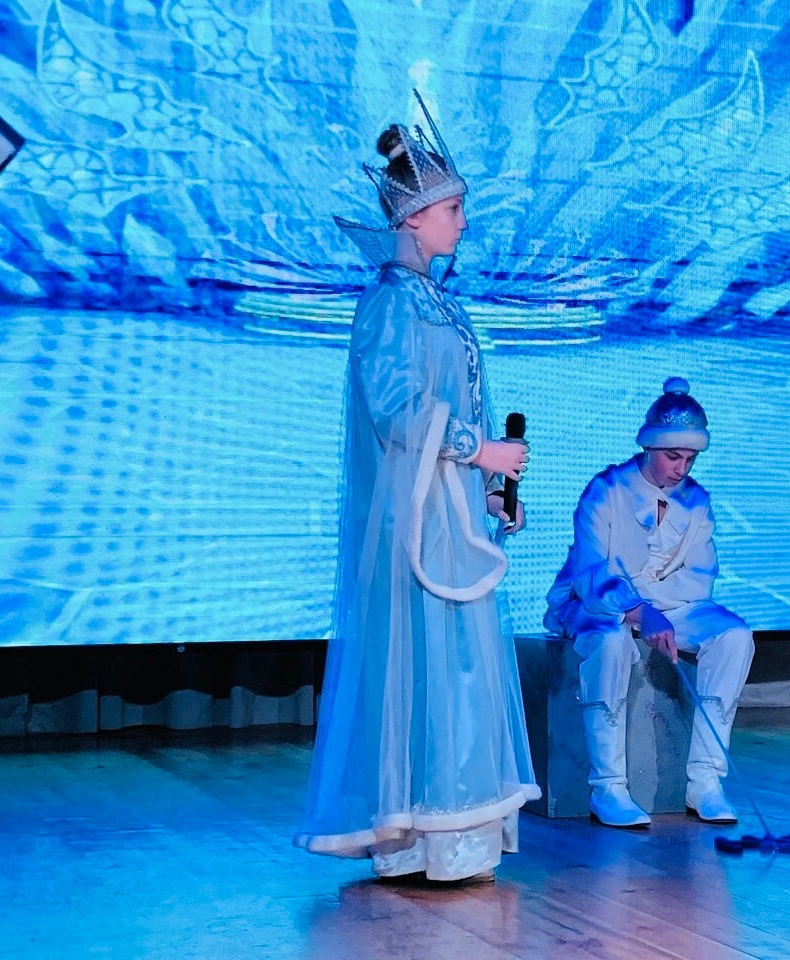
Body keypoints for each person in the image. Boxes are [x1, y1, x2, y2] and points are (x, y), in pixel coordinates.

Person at [294, 92, 540, 883]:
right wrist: (479, 450)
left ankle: (453, 833)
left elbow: (455, 403)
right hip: (416, 517)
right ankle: (417, 832)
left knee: (460, 665)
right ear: (414, 219)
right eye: (453, 210)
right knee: (427, 664)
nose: (463, 223)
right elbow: (397, 409)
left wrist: (491, 485)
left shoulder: (440, 303)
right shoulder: (390, 303)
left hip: (453, 509)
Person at [544, 378, 755, 828]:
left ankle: (705, 780)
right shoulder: (606, 490)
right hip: (597, 603)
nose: (682, 468)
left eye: (690, 459)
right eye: (673, 456)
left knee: (734, 636)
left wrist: (652, 608)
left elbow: (699, 579)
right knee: (611, 643)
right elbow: (591, 572)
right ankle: (608, 787)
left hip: (668, 606)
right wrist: (637, 610)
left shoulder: (697, 502)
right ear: (649, 446)